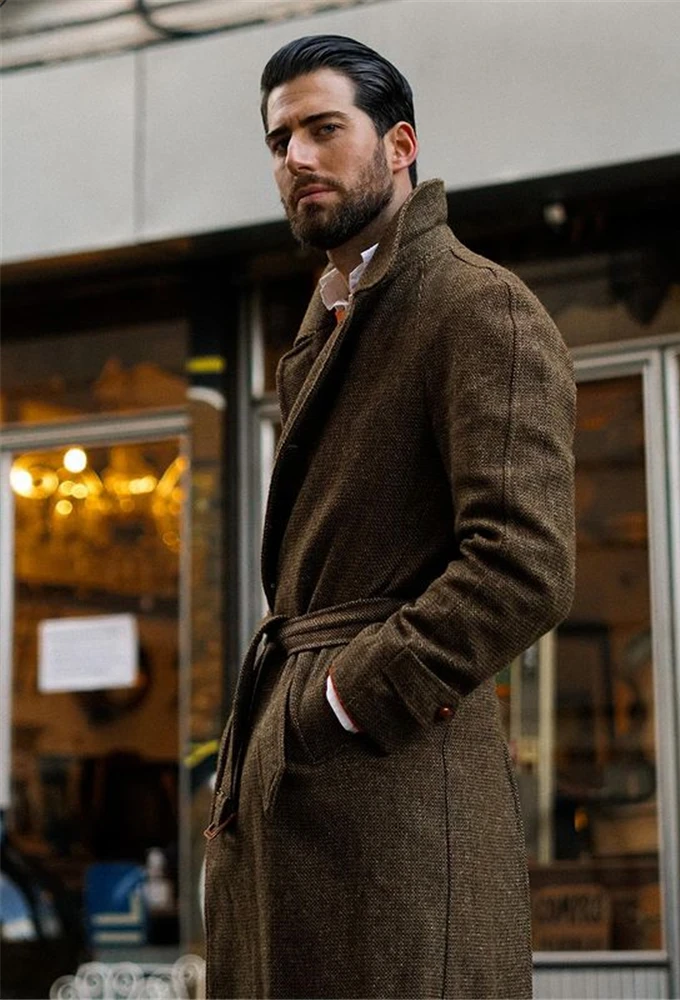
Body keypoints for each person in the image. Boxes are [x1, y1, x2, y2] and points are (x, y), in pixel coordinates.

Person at [204, 34, 575, 1000]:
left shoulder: (475, 307)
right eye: (279, 140)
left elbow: (522, 565)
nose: (297, 157)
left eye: (325, 128)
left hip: (394, 798)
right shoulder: (328, 327)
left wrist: (344, 699)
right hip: (312, 793)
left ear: (400, 144)